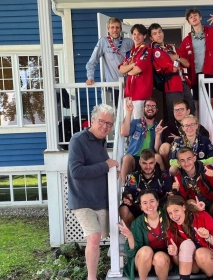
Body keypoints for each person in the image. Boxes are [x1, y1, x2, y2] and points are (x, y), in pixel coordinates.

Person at [67, 104, 119, 280]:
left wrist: (111, 172)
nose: (105, 127)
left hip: (100, 199)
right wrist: (105, 166)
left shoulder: (101, 141)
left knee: (106, 235)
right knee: (95, 237)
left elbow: (99, 167)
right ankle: (92, 277)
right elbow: (76, 172)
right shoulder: (78, 140)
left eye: (109, 124)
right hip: (82, 199)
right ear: (92, 120)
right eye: (101, 122)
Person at [165, 195, 213, 280]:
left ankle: (212, 278)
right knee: (186, 244)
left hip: (209, 260)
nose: (174, 216)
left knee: (200, 253)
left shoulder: (201, 215)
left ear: (183, 207)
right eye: (170, 213)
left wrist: (208, 236)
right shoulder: (172, 228)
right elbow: (178, 262)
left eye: (176, 210)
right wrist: (175, 254)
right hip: (192, 265)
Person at [117, 189, 173, 280]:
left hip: (164, 260)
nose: (149, 206)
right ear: (141, 207)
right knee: (146, 251)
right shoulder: (138, 222)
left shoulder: (168, 216)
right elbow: (131, 253)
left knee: (160, 257)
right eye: (145, 203)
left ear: (157, 202)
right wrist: (130, 236)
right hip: (143, 262)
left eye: (152, 201)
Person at [148, 23, 195, 125]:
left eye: (160, 32)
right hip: (172, 85)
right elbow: (173, 69)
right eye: (155, 34)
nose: (159, 35)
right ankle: (175, 139)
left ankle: (191, 138)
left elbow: (187, 64)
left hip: (184, 83)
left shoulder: (170, 47)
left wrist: (177, 58)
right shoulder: (155, 51)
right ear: (151, 38)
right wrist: (177, 60)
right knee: (175, 115)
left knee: (190, 111)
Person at [173, 147, 213, 228]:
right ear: (178, 163)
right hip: (194, 211)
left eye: (189, 159)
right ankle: (198, 231)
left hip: (211, 206)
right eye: (182, 160)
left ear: (194, 158)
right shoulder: (178, 178)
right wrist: (175, 191)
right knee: (190, 202)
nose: (186, 163)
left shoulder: (206, 169)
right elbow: (181, 203)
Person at [85, 17, 134, 107]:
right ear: (108, 29)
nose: (115, 30)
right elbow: (91, 62)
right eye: (112, 27)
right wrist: (90, 77)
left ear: (121, 29)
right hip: (114, 86)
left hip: (130, 85)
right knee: (118, 113)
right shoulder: (103, 42)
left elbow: (137, 61)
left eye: (117, 27)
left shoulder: (129, 42)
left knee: (131, 112)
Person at [120, 148, 173, 228]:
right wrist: (127, 197)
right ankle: (134, 237)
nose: (148, 167)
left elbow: (169, 193)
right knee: (123, 209)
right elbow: (128, 192)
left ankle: (164, 234)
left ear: (155, 162)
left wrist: (172, 193)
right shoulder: (133, 177)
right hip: (139, 208)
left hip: (158, 208)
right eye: (144, 163)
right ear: (140, 162)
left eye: (151, 163)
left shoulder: (164, 176)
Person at [120, 98, 167, 185]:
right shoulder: (136, 122)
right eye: (148, 106)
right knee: (127, 158)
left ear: (156, 110)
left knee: (158, 157)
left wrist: (157, 135)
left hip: (150, 158)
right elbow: (124, 132)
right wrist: (129, 112)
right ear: (143, 108)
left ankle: (165, 184)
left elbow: (157, 149)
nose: (150, 108)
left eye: (153, 106)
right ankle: (124, 189)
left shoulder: (158, 127)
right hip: (135, 157)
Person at [159, 99, 209, 168]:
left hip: (194, 154)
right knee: (164, 147)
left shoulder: (194, 123)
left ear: (188, 111)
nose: (178, 112)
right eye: (176, 110)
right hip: (177, 155)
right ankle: (170, 171)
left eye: (181, 109)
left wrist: (183, 138)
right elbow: (168, 141)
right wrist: (181, 140)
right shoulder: (169, 125)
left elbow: (205, 135)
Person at [119, 24, 153, 119]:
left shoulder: (146, 50)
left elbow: (136, 70)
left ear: (144, 36)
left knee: (140, 124)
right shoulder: (130, 52)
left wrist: (129, 69)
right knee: (128, 123)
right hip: (128, 93)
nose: (136, 36)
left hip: (141, 93)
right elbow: (121, 69)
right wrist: (133, 65)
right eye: (134, 34)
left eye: (139, 34)